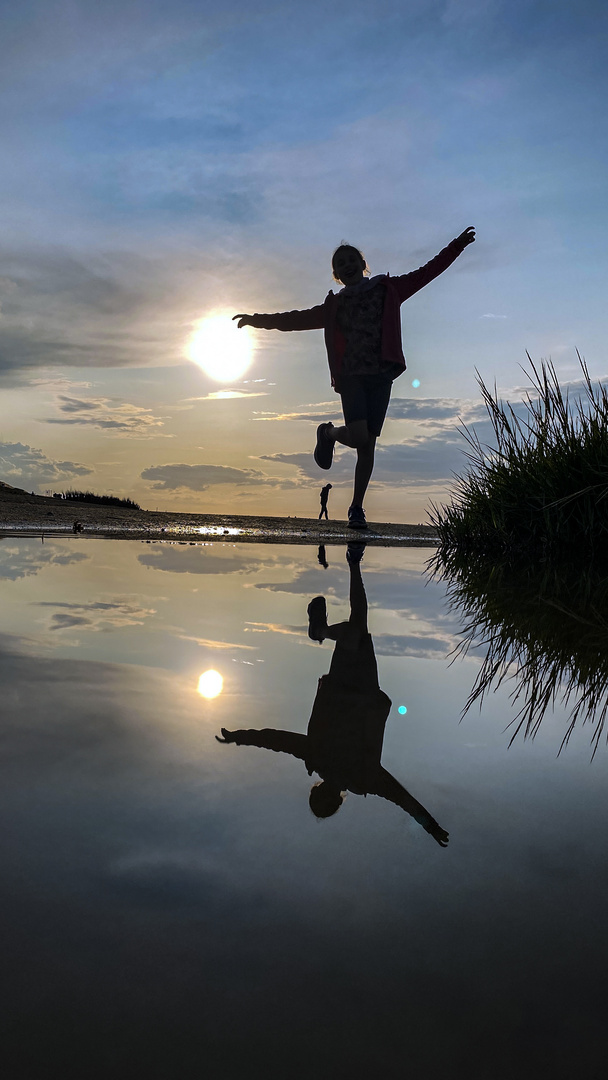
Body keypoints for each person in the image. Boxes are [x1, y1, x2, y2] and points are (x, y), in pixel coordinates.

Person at [234, 226, 475, 530]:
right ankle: (329, 433)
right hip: (351, 376)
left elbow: (428, 271)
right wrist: (258, 321)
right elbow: (295, 319)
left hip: (381, 374)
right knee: (360, 436)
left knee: (368, 445)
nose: (347, 265)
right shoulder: (335, 306)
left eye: (351, 260)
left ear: (363, 264)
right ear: (336, 275)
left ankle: (356, 509)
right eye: (340, 264)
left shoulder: (389, 289)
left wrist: (457, 246)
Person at [216, 543, 449, 845]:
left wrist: (430, 825)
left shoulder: (339, 768)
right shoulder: (353, 774)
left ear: (335, 799)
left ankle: (337, 597)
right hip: (358, 692)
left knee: (358, 626)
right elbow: (275, 740)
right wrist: (240, 736)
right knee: (358, 625)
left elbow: (402, 798)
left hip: (353, 691)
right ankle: (329, 614)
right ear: (324, 794)